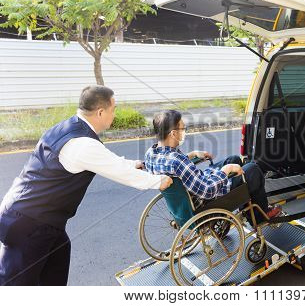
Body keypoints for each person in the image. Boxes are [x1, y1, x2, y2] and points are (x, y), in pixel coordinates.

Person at [0, 85, 172, 286]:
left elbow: (109, 162)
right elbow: (121, 173)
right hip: (28, 224)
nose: (114, 115)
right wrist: (158, 181)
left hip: (43, 221)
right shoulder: (83, 143)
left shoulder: (68, 128)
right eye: (113, 109)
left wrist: (135, 164)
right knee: (16, 286)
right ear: (100, 112)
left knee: (56, 268)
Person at [144, 110, 281, 224]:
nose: (184, 131)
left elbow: (172, 165)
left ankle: (245, 205)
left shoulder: (152, 153)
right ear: (173, 133)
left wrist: (192, 155)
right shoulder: (177, 161)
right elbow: (207, 191)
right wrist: (225, 171)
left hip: (187, 198)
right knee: (253, 170)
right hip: (205, 202)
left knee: (233, 159)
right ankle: (260, 216)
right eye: (182, 128)